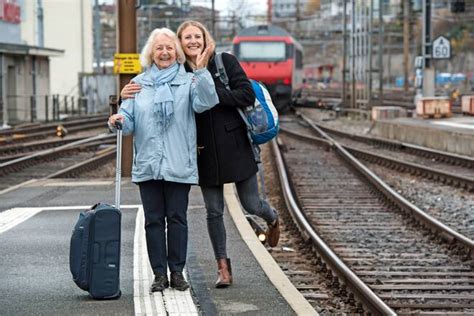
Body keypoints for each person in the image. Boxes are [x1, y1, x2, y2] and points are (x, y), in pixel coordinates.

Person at [120, 21, 280, 289]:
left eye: (197, 36)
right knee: (214, 211)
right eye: (187, 37)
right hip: (203, 152)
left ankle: (272, 217)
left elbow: (243, 94)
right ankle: (223, 268)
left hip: (235, 146)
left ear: (206, 39)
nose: (193, 41)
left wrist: (209, 85)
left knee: (251, 203)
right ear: (180, 44)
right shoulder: (177, 72)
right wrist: (123, 96)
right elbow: (148, 101)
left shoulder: (223, 62)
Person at [108, 27, 218, 293]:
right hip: (148, 163)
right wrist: (117, 119)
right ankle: (159, 274)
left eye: (170, 48)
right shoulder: (139, 84)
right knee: (153, 220)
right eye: (159, 48)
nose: (165, 52)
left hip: (178, 163)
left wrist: (202, 70)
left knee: (177, 218)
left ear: (177, 53)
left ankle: (177, 272)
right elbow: (129, 121)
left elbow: (207, 101)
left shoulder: (189, 82)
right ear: (152, 53)